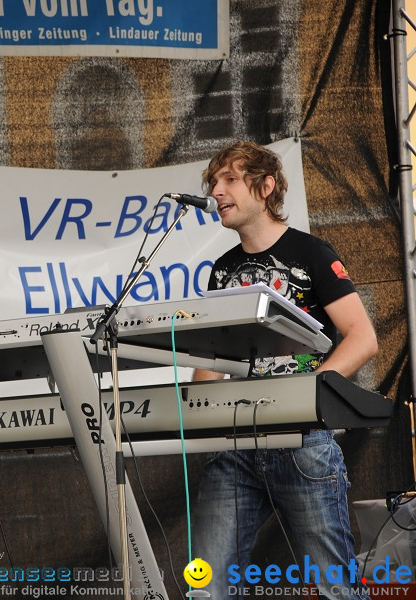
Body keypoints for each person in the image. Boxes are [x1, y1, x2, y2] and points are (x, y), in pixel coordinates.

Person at [190, 141, 378, 600]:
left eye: (229, 179)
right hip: (232, 445)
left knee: (334, 588)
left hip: (301, 442)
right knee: (206, 588)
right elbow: (211, 365)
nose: (216, 191)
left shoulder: (311, 252)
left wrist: (307, 395)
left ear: (265, 185)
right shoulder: (221, 271)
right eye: (213, 182)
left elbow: (362, 338)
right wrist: (195, 402)